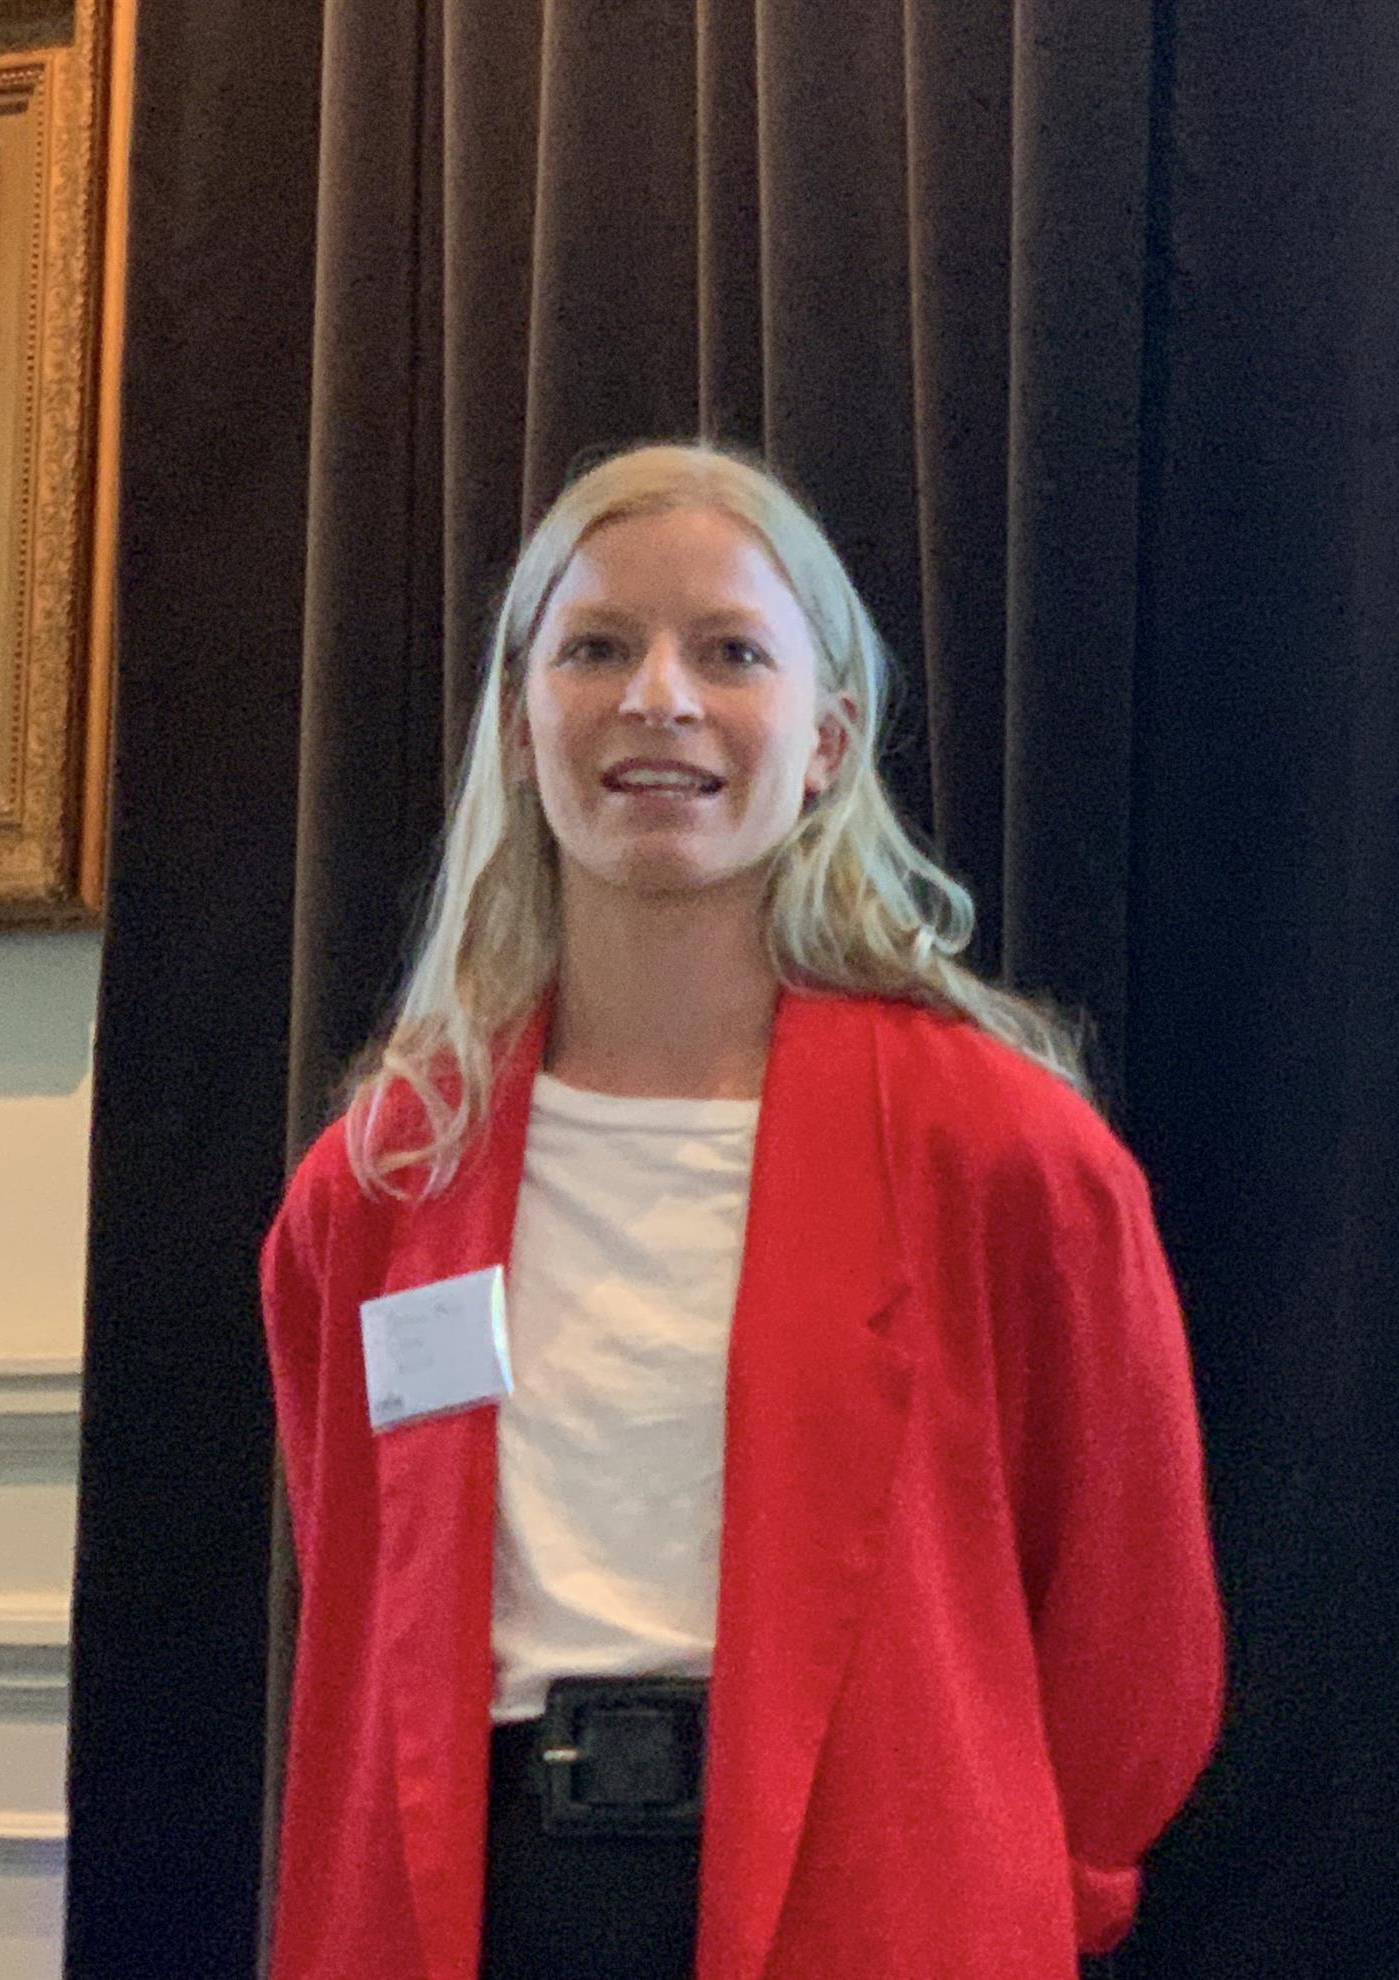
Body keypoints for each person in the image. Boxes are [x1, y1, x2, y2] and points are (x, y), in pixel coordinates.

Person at [260, 441, 1223, 1980]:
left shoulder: (1005, 1155)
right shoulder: (381, 1183)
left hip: (879, 1907)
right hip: (477, 1914)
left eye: (728, 653)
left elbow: (1132, 1641)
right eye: (595, 648)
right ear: (519, 724)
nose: (658, 697)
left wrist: (993, 1885)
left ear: (825, 739)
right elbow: (358, 1598)